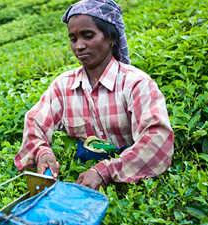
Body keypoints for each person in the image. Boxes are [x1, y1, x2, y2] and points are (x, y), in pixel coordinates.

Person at [14, 0, 174, 190]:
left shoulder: (135, 83)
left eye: (87, 36)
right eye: (73, 39)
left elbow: (157, 139)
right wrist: (42, 153)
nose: (79, 46)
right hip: (82, 179)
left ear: (111, 38)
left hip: (135, 183)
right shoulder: (63, 86)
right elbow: (35, 123)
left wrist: (105, 171)